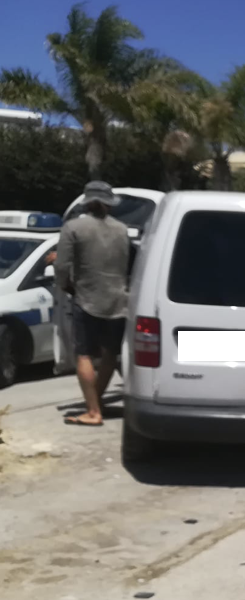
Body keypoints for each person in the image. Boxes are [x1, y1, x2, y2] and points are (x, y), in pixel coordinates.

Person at [54, 181, 130, 426]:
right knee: (110, 354)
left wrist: (67, 287)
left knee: (83, 354)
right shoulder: (122, 229)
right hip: (119, 301)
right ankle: (95, 401)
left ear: (86, 202)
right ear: (109, 204)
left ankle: (93, 411)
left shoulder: (73, 227)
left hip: (87, 299)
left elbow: (62, 267)